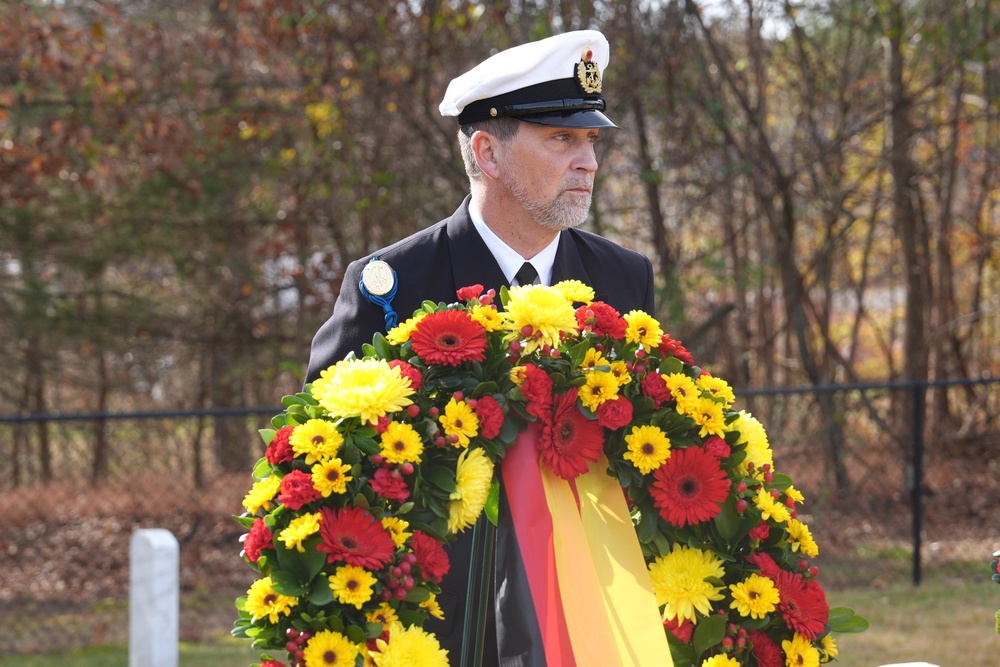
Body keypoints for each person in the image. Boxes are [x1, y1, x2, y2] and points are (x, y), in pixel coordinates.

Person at [306, 30, 655, 667]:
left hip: (589, 624)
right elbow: (329, 465)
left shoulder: (625, 279)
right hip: (438, 627)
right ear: (488, 153)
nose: (589, 162)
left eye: (591, 141)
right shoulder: (394, 287)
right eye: (562, 139)